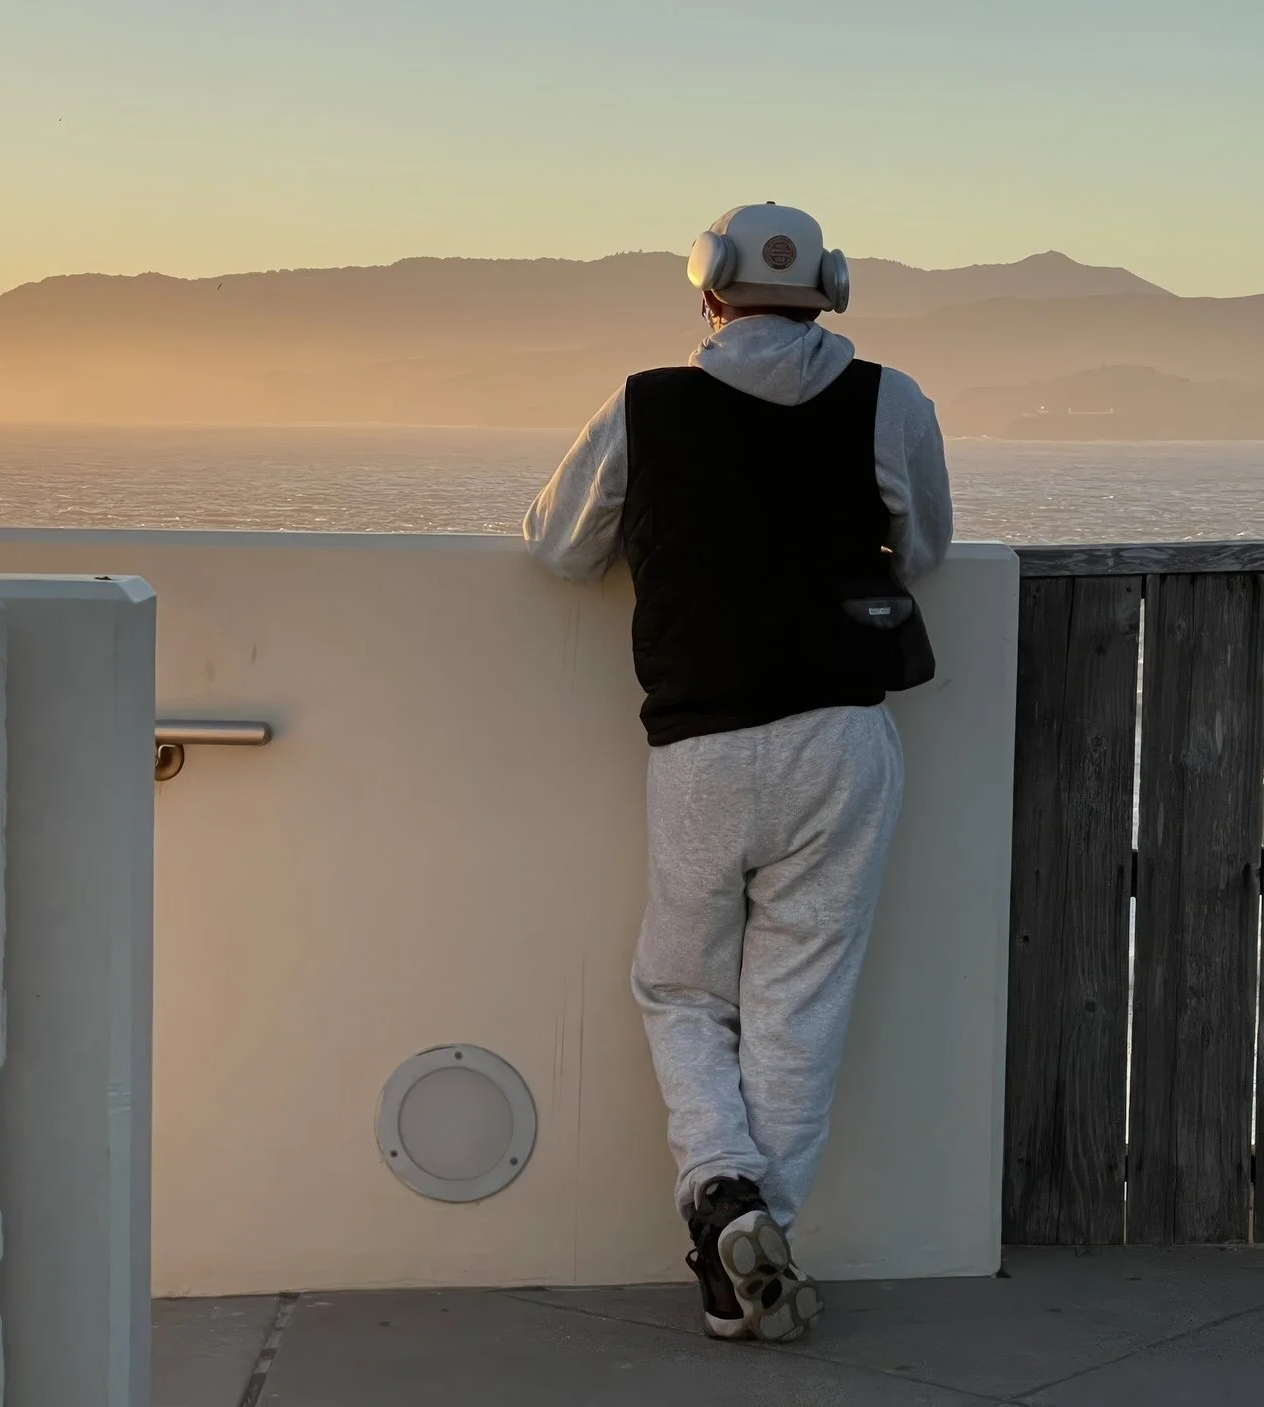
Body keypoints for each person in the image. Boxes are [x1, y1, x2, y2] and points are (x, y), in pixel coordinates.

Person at [522, 202, 952, 1343]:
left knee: (679, 990)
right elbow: (925, 549)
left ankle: (724, 1191)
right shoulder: (889, 400)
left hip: (703, 747)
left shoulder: (647, 404)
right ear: (833, 288)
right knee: (796, 1005)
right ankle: (748, 1241)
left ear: (704, 287)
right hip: (841, 739)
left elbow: (561, 547)